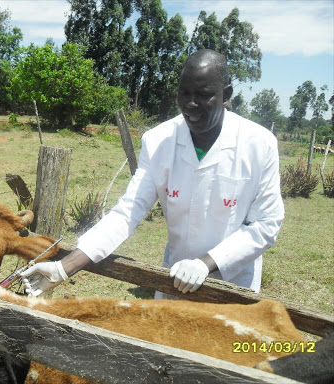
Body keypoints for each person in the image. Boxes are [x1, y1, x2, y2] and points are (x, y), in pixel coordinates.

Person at [21, 49, 284, 298]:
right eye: (184, 93)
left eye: (204, 94)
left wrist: (207, 264)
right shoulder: (159, 140)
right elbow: (128, 210)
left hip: (234, 283)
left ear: (226, 95)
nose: (191, 104)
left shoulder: (258, 144)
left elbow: (266, 224)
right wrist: (62, 269)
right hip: (176, 279)